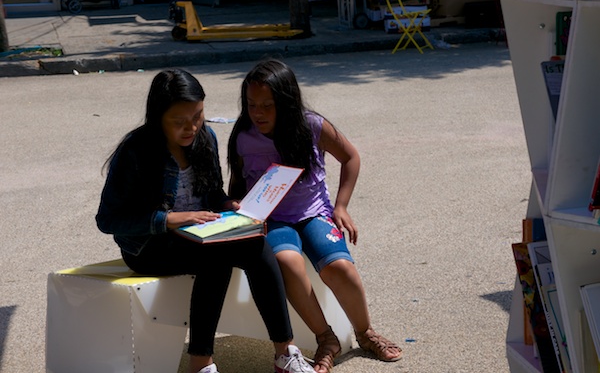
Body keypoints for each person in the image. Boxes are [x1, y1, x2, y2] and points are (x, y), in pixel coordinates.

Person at [96, 68, 317, 373]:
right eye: (179, 122)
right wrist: (170, 219)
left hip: (201, 235)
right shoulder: (136, 151)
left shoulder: (205, 138)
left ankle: (284, 351)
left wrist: (228, 204)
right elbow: (108, 220)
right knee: (216, 258)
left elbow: (211, 192)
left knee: (255, 243)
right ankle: (201, 363)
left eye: (198, 116)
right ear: (158, 117)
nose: (192, 127)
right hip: (149, 247)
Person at [227, 59, 403, 373]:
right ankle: (326, 338)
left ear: (287, 102)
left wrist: (342, 206)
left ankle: (365, 332)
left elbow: (350, 157)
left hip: (314, 214)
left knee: (339, 268)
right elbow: (237, 186)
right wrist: (237, 204)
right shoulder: (243, 136)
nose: (258, 113)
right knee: (288, 263)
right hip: (274, 220)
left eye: (268, 105)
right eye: (252, 105)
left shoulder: (312, 125)